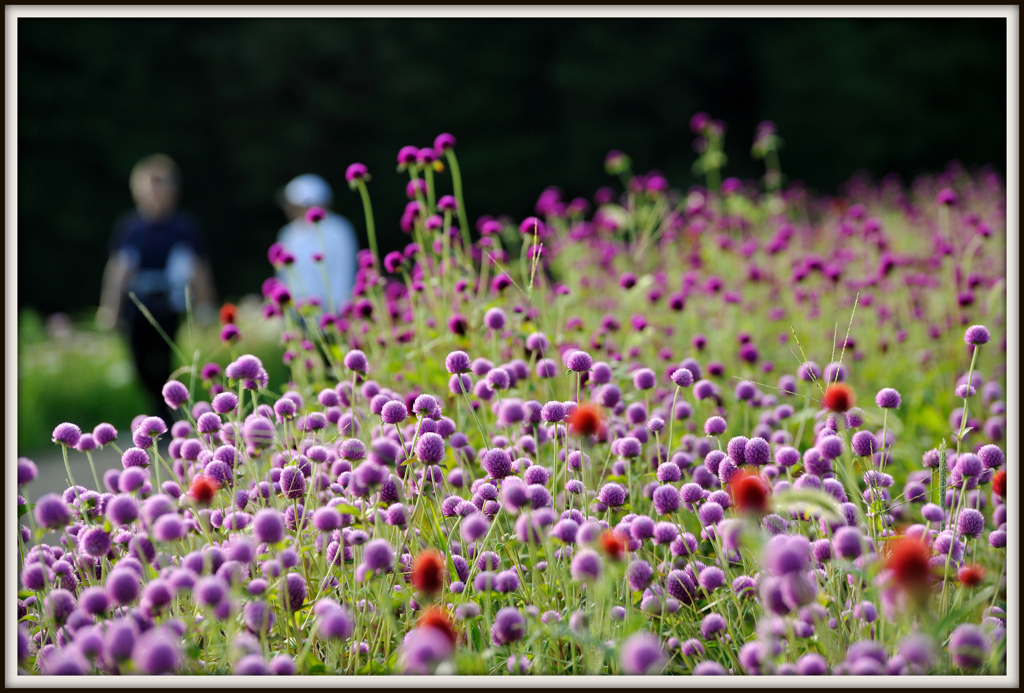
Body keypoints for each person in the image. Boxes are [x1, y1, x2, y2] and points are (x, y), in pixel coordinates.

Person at [96, 153, 216, 413]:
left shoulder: (184, 228)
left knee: (165, 360)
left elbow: (199, 270)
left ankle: (165, 413)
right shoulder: (129, 228)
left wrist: (206, 307)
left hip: (168, 306)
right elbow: (117, 271)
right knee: (138, 364)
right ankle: (159, 407)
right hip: (136, 307)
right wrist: (110, 309)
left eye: (162, 186)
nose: (155, 194)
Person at [275, 174, 359, 313]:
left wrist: (338, 306)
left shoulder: (339, 230)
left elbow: (345, 270)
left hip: (333, 309)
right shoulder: (288, 233)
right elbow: (285, 276)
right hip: (300, 311)